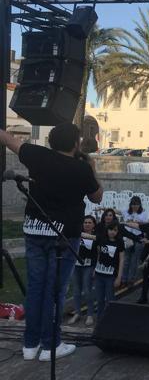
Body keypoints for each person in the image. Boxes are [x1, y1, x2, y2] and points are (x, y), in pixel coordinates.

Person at [0, 124, 102, 361]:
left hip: (35, 231)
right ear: (76, 144)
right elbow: (97, 196)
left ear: (52, 141)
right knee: (54, 290)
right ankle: (51, 345)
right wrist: (92, 168)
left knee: (36, 287)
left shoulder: (37, 155)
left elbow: (6, 138)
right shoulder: (81, 169)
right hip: (64, 237)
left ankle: (30, 344)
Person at [82, 222, 125, 322]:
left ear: (117, 231)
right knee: (99, 299)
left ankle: (111, 319)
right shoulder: (101, 239)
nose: (112, 232)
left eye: (115, 230)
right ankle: (100, 319)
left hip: (111, 276)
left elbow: (122, 260)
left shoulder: (120, 242)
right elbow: (98, 253)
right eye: (110, 229)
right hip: (99, 274)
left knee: (110, 298)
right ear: (107, 230)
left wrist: (119, 277)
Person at [67, 216, 97, 327]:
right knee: (76, 291)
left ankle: (89, 314)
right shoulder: (77, 236)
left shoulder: (96, 237)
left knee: (87, 290)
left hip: (88, 266)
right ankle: (77, 313)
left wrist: (95, 268)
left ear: (94, 224)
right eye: (85, 222)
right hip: (76, 266)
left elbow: (97, 254)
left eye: (89, 222)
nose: (87, 224)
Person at [121, 196, 149, 286]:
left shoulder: (144, 213)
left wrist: (136, 222)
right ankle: (123, 278)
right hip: (128, 237)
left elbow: (146, 224)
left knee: (135, 259)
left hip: (138, 236)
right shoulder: (126, 212)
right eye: (133, 204)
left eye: (136, 204)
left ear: (139, 205)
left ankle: (131, 279)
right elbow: (117, 211)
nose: (134, 206)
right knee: (126, 259)